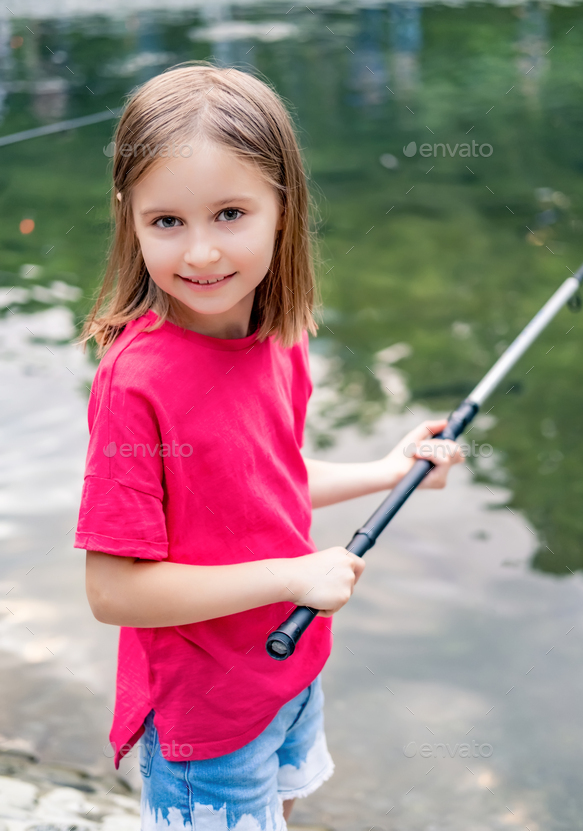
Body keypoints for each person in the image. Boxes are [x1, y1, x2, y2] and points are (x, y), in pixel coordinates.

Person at [74, 61, 464, 831]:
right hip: (205, 715)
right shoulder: (135, 382)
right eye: (167, 222)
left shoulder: (278, 335)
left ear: (282, 206)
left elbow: (260, 480)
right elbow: (113, 591)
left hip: (286, 673)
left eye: (229, 214)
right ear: (130, 218)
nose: (202, 254)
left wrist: (390, 470)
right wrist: (293, 573)